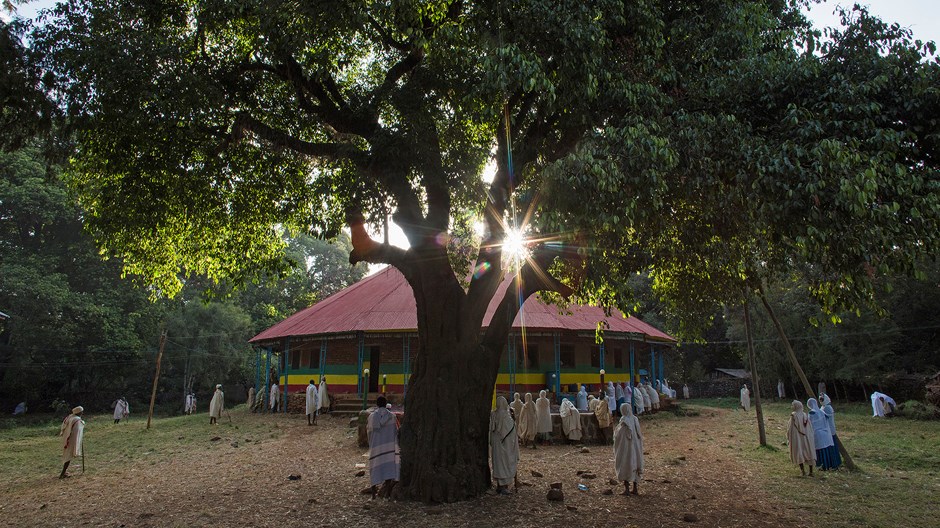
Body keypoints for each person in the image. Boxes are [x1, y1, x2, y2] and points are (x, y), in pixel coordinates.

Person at [367, 396, 400, 499]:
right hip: (388, 448)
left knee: (374, 469)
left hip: (375, 447)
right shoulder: (392, 417)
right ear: (386, 404)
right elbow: (396, 432)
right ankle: (388, 494)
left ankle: (373, 495)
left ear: (377, 404)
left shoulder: (372, 417)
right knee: (388, 471)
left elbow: (368, 431)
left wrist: (371, 442)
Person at [489, 396, 519, 495]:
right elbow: (511, 432)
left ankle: (499, 485)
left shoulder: (493, 415)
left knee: (498, 463)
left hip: (496, 445)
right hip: (505, 445)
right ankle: (504, 486)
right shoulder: (506, 417)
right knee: (505, 463)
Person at [613, 402, 643, 495]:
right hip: (636, 447)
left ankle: (626, 489)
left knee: (625, 464)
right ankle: (635, 488)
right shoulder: (635, 419)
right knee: (635, 464)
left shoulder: (624, 420)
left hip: (626, 448)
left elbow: (619, 434)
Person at [786, 400, 815, 476]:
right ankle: (811, 471)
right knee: (809, 452)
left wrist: (788, 437)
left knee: (799, 452)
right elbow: (810, 428)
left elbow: (790, 428)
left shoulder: (793, 416)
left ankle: (803, 471)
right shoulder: (805, 416)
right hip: (806, 437)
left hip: (797, 438)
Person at [807, 398, 834, 470]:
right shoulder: (822, 412)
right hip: (825, 434)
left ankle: (820, 465)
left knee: (819, 451)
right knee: (825, 450)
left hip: (817, 434)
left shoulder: (811, 413)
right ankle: (827, 465)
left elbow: (809, 424)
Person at [59, 406, 85, 479]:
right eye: (81, 412)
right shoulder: (77, 420)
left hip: (66, 439)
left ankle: (64, 472)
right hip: (70, 440)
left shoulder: (69, 417)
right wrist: (83, 423)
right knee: (68, 456)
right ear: (79, 412)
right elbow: (77, 430)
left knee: (67, 455)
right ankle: (62, 474)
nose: (82, 413)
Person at [820, 394, 842, 470]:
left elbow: (826, 416)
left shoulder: (828, 408)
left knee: (832, 447)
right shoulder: (823, 407)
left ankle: (835, 464)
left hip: (829, 430)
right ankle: (829, 463)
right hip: (825, 430)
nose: (821, 401)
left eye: (822, 399)